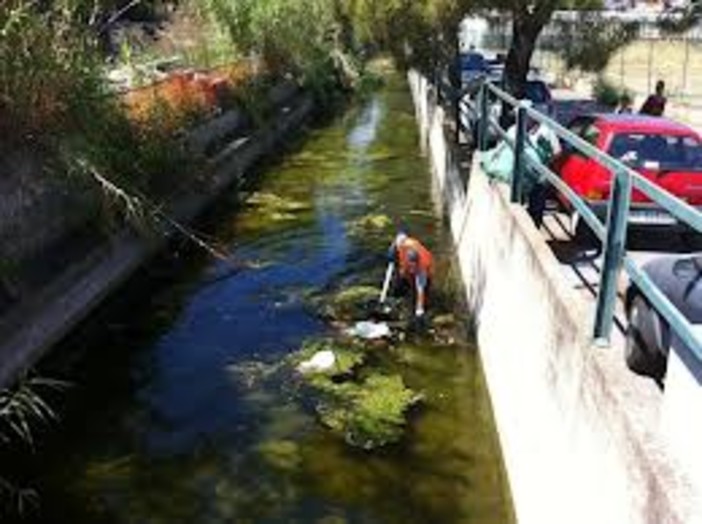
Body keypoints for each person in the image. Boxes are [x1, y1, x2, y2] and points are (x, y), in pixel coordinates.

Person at [387, 232, 433, 318]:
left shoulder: (423, 265)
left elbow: (420, 289)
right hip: (406, 263)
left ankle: (421, 306)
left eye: (414, 266)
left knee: (422, 288)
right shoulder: (403, 245)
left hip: (423, 271)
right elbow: (399, 237)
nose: (412, 269)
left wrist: (419, 309)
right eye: (411, 266)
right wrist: (392, 250)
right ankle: (398, 296)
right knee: (401, 279)